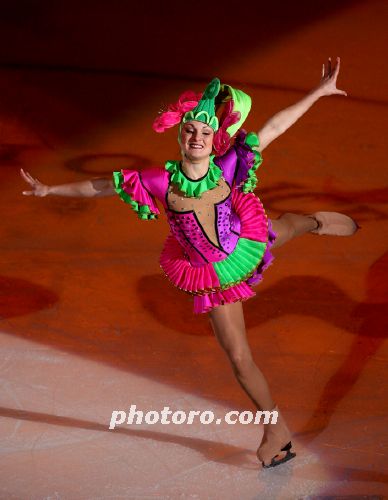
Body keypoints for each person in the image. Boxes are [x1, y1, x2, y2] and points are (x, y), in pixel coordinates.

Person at [20, 56, 358, 468]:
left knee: (282, 230)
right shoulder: (161, 182)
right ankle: (276, 430)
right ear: (180, 135)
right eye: (190, 130)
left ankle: (313, 221)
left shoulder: (228, 165)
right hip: (212, 274)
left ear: (215, 136)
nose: (196, 136)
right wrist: (49, 190)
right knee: (238, 359)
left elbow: (274, 127)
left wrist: (318, 92)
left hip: (244, 241)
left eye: (204, 130)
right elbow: (101, 186)